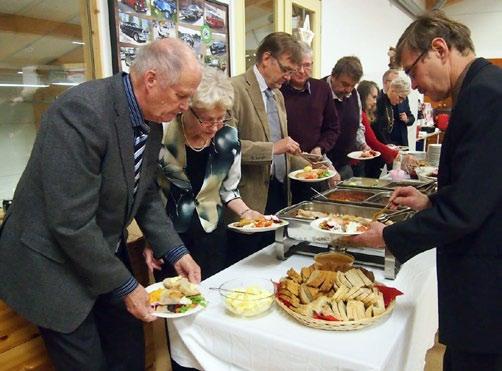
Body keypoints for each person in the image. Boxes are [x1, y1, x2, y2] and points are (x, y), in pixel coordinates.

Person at [0, 39, 202, 370]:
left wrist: (175, 250)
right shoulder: (81, 112)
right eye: (181, 95)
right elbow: (70, 222)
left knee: (129, 353)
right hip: (52, 262)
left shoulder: (151, 118)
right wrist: (126, 285)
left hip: (100, 250)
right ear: (151, 80)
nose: (185, 106)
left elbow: (146, 192)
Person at [352, 10, 502, 371]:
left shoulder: (485, 95)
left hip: (487, 288)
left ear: (439, 49)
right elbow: (480, 187)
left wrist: (388, 236)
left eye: (412, 70)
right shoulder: (481, 87)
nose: (414, 85)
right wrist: (429, 199)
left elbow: (466, 210)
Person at [143, 67, 261, 281]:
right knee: (176, 302)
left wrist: (246, 213)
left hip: (212, 234)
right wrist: (152, 239)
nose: (214, 127)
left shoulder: (229, 138)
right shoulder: (161, 134)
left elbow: (229, 190)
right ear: (187, 108)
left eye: (220, 119)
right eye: (207, 120)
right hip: (171, 239)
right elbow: (148, 194)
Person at [228, 32, 307, 260]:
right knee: (249, 263)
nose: (289, 77)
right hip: (247, 199)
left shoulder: (278, 96)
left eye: (291, 72)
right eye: (285, 69)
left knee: (273, 259)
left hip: (279, 193)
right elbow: (228, 149)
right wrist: (273, 148)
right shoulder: (234, 90)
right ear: (266, 59)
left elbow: (284, 147)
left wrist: (312, 167)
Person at [280, 41, 340, 202]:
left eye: (306, 65)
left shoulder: (322, 89)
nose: (301, 71)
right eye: (297, 65)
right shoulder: (278, 89)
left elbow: (332, 127)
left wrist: (320, 147)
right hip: (284, 168)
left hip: (313, 169)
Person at [324, 56, 371, 179]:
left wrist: (363, 145)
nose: (348, 90)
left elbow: (358, 125)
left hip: (345, 165)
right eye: (344, 84)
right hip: (321, 168)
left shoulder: (354, 94)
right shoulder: (319, 91)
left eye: (353, 85)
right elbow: (312, 136)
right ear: (333, 75)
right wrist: (327, 166)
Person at [357, 80, 399, 178]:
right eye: (373, 97)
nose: (375, 101)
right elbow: (372, 141)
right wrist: (395, 154)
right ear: (364, 96)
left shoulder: (366, 114)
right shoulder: (361, 115)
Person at [373, 75, 411, 145]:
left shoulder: (390, 102)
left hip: (394, 144)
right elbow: (377, 131)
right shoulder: (379, 101)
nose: (401, 101)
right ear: (393, 90)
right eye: (400, 97)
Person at [382, 69, 416, 146]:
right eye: (394, 81)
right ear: (385, 82)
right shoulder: (379, 99)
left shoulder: (404, 98)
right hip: (387, 143)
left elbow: (411, 117)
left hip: (402, 141)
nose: (397, 84)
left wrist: (407, 119)